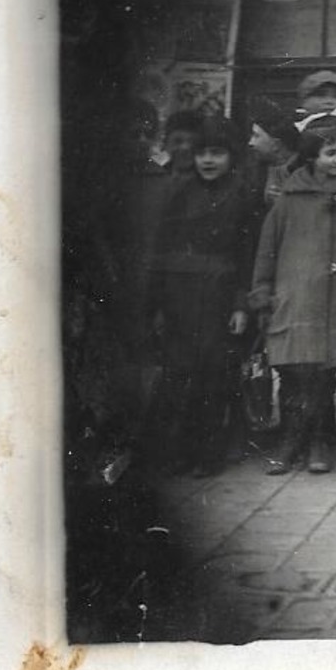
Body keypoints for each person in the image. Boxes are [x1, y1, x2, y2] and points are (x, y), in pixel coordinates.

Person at [249, 122, 336, 475]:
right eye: (330, 152)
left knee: (327, 371)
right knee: (292, 370)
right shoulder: (290, 196)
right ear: (311, 156)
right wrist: (262, 290)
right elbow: (267, 248)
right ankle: (291, 440)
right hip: (294, 298)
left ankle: (320, 439)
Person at [145, 115, 259, 477]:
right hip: (179, 296)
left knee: (213, 376)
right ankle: (177, 452)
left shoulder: (243, 196)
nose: (208, 161)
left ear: (232, 157)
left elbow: (248, 254)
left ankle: (209, 454)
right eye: (201, 154)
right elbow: (161, 251)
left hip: (220, 297)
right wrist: (157, 305)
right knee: (178, 377)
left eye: (217, 153)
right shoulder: (178, 193)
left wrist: (242, 304)